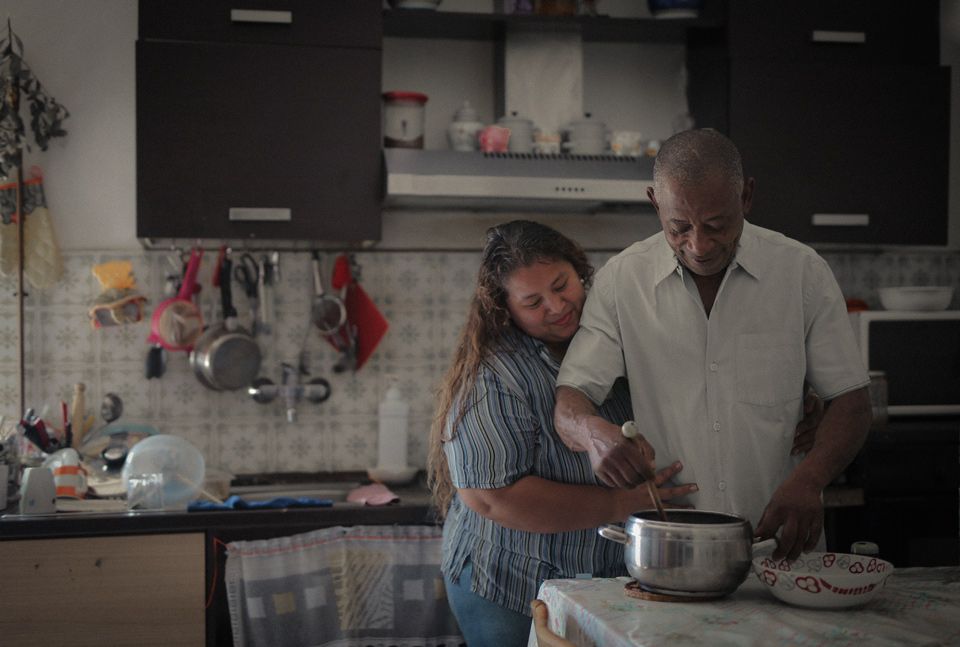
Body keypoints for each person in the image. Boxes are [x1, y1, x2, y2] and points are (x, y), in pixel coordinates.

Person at [427, 220, 822, 646]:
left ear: (580, 271)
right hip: (510, 584)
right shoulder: (496, 377)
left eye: (562, 285)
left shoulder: (620, 331)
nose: (557, 306)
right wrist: (619, 504)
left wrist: (794, 402)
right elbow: (489, 498)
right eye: (533, 302)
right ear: (505, 309)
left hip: (605, 583)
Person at [554, 128, 872, 563]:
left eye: (717, 225)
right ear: (654, 202)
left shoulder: (802, 273)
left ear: (747, 197)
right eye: (678, 227)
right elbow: (571, 400)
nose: (699, 246)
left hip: (781, 545)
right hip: (671, 553)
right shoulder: (621, 281)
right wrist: (594, 435)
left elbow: (852, 401)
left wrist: (811, 479)